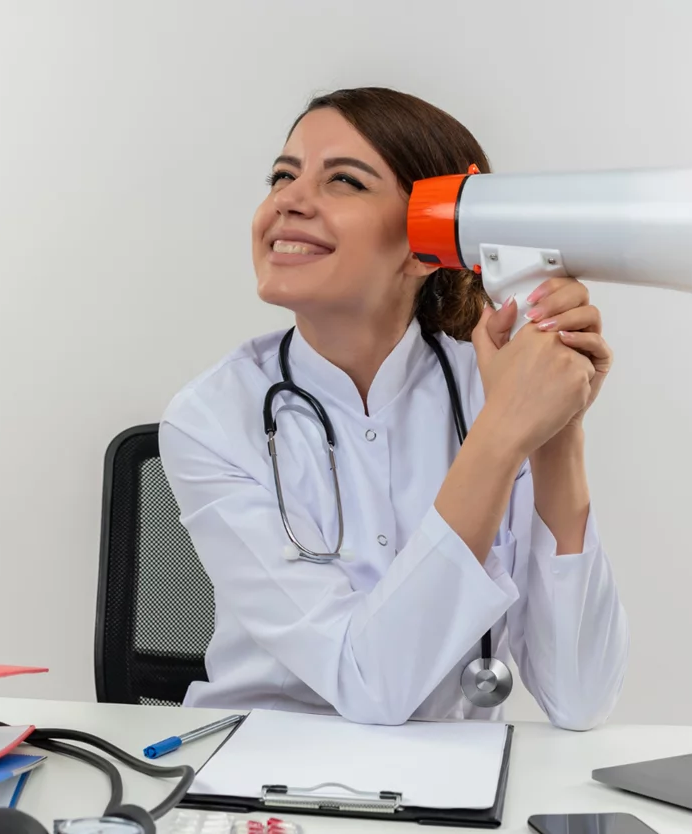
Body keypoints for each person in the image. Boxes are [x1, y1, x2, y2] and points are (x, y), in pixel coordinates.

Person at [159, 87, 628, 731]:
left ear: (424, 245)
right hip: (259, 774)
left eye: (344, 181)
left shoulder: (486, 387)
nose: (288, 200)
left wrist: (556, 431)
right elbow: (371, 683)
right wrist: (501, 434)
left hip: (452, 787)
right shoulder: (213, 418)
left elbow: (581, 698)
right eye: (282, 175)